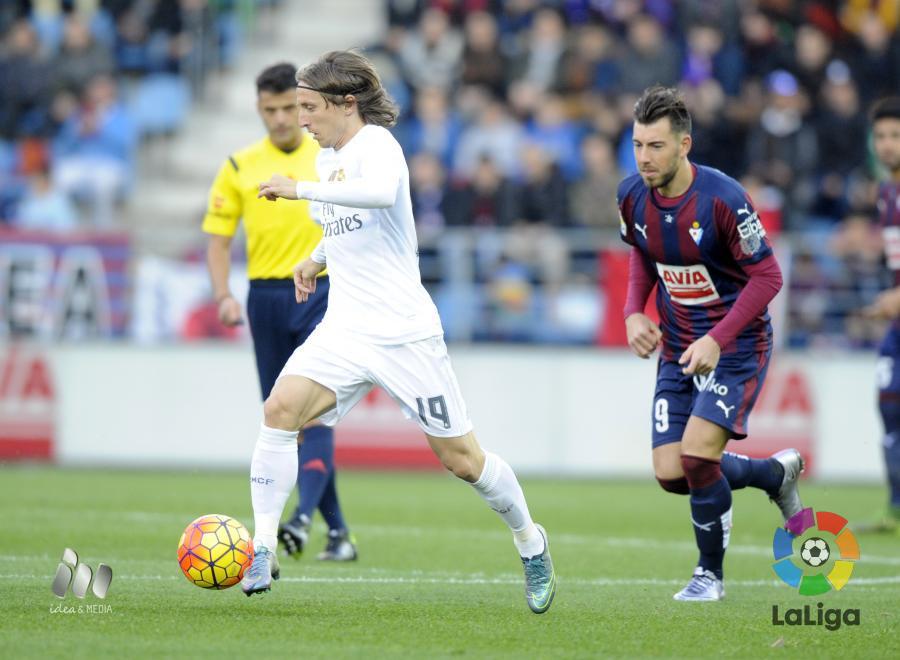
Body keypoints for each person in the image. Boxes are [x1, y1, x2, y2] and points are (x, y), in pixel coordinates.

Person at [242, 50, 557, 614]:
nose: (303, 119)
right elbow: (351, 226)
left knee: (464, 461)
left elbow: (381, 196)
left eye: (311, 107)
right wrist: (315, 258)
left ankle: (530, 541)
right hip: (345, 327)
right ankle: (262, 547)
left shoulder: (378, 146)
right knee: (280, 410)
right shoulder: (326, 159)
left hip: (403, 331)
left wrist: (299, 191)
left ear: (347, 103)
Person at [619, 86, 804, 602]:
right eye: (637, 145)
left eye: (655, 146)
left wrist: (719, 339)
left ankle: (709, 577)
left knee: (699, 456)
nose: (644, 157)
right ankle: (772, 475)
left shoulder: (723, 199)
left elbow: (768, 277)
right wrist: (634, 311)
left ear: (684, 145)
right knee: (671, 472)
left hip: (738, 346)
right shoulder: (631, 194)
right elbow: (640, 250)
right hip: (678, 348)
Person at [202, 62, 357, 562]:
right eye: (271, 110)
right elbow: (219, 241)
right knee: (282, 417)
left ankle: (303, 517)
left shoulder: (328, 157)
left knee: (315, 414)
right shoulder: (239, 165)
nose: (282, 119)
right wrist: (224, 294)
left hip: (323, 290)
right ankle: (338, 533)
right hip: (265, 298)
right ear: (259, 109)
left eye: (291, 107)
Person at [861, 96, 900, 534]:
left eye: (895, 136)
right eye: (881, 136)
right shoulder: (886, 190)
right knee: (889, 406)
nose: (887, 145)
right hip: (897, 326)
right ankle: (895, 508)